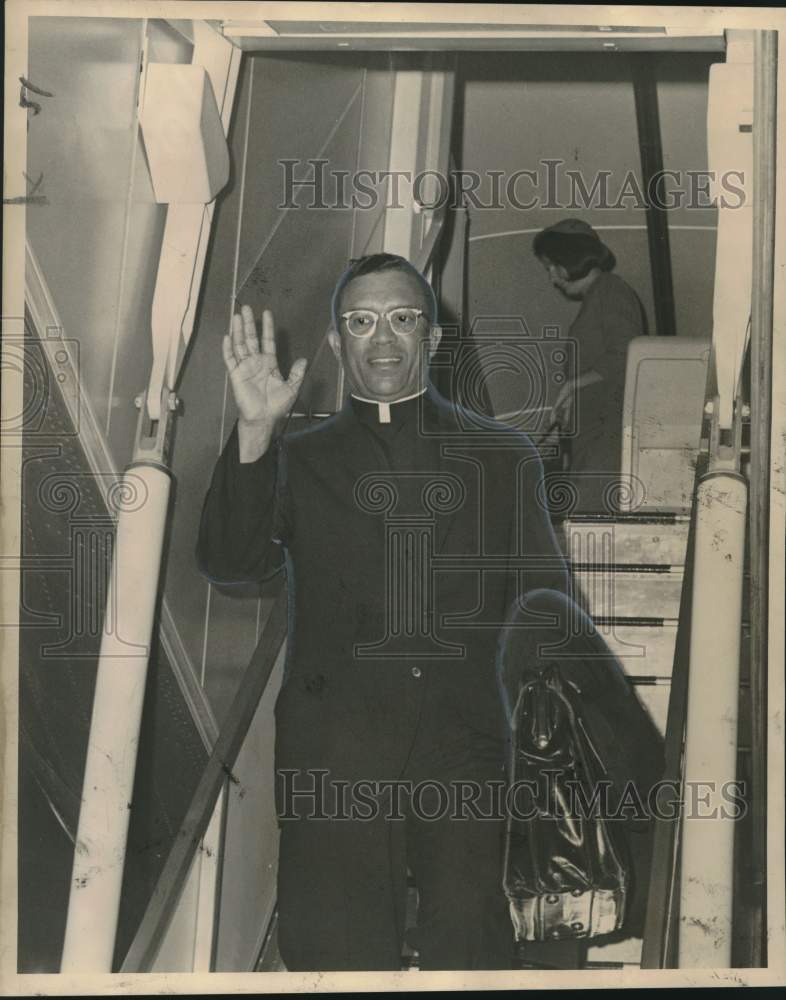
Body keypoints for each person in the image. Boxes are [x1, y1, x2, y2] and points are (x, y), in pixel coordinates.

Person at [195, 253, 571, 971]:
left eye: (403, 319)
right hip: (334, 750)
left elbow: (543, 601)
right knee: (337, 949)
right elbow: (230, 563)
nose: (385, 339)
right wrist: (253, 434)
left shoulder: (501, 456)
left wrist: (514, 715)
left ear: (432, 339)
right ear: (338, 345)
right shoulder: (296, 459)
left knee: (468, 940)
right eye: (361, 323)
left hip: (461, 747)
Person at [533, 219, 647, 513]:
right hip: (590, 442)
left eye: (552, 267)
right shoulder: (596, 298)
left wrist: (572, 385)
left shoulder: (611, 289)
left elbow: (627, 352)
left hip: (605, 441)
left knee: (590, 526)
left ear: (570, 258)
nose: (552, 278)